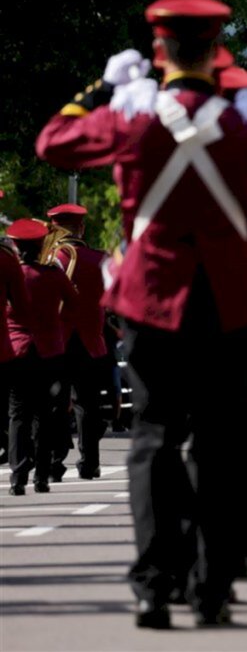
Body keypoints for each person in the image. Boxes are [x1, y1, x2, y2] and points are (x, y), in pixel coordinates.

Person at [36, 0, 247, 628]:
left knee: (154, 438)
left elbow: (53, 142)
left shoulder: (134, 119)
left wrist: (97, 91)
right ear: (216, 53)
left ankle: (152, 582)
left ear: (160, 50)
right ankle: (211, 584)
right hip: (228, 302)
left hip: (149, 298)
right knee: (220, 442)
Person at [5, 219, 76, 496]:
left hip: (18, 350)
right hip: (50, 351)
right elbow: (74, 305)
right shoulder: (54, 274)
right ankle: (42, 478)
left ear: (14, 245)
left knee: (18, 415)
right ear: (41, 245)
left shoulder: (12, 274)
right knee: (45, 416)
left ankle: (18, 478)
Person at [45, 204, 110, 482]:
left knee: (55, 403)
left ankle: (54, 462)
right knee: (88, 404)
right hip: (90, 340)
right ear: (81, 228)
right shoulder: (99, 259)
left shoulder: (49, 259)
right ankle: (89, 463)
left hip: (57, 341)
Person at [0, 234, 32, 467]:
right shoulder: (6, 258)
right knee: (15, 409)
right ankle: (18, 463)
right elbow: (22, 306)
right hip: (3, 347)